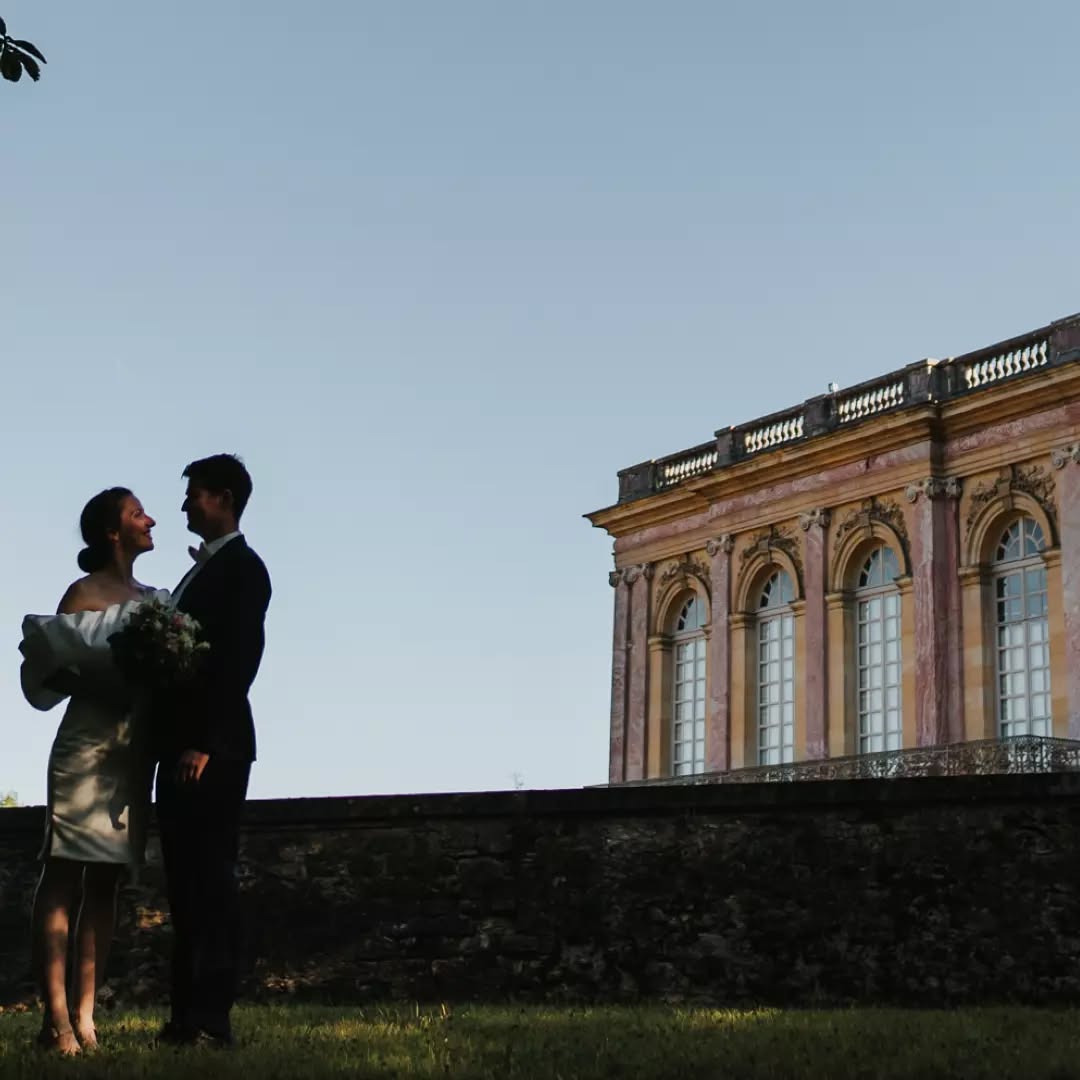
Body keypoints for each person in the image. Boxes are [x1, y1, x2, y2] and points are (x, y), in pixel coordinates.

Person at [19, 488, 161, 1055]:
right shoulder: (83, 594)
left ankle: (87, 1018)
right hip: (84, 745)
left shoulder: (157, 602)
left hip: (131, 749)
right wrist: (103, 682)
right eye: (137, 514)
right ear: (112, 531)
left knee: (107, 882)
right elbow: (52, 667)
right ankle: (55, 1021)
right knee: (62, 874)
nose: (150, 520)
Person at [153, 454, 271, 1049]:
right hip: (182, 744)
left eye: (194, 494)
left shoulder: (245, 568)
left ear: (223, 499)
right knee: (184, 884)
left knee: (211, 880)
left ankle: (210, 1017)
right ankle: (183, 1017)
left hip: (212, 749)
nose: (184, 504)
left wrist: (205, 741)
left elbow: (239, 659)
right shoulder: (200, 572)